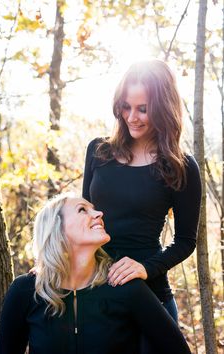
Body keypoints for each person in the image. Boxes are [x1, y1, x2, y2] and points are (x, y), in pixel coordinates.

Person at [83, 59, 202, 324]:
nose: (131, 117)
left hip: (150, 298)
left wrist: (146, 268)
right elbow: (81, 219)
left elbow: (185, 241)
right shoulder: (98, 151)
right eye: (126, 107)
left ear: (163, 109)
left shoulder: (180, 166)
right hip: (95, 292)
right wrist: (55, 262)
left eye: (143, 109)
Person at [0, 194, 192, 354]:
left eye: (94, 208)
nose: (99, 213)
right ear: (57, 229)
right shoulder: (25, 290)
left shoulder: (125, 286)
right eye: (82, 210)